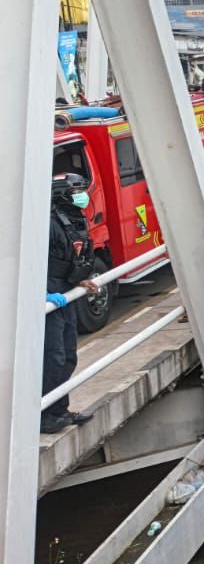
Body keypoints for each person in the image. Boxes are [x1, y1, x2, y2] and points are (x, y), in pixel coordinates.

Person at [41, 174, 98, 434]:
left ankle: (60, 410)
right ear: (62, 193)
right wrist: (41, 293)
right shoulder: (48, 223)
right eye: (77, 189)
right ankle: (44, 415)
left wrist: (80, 281)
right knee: (53, 357)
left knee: (68, 356)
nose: (82, 193)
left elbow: (74, 256)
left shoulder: (75, 219)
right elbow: (32, 261)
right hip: (50, 295)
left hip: (65, 292)